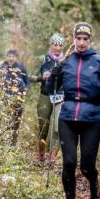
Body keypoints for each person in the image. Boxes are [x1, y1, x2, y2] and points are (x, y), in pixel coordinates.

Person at [46, 22, 100, 199]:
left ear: (90, 40)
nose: (81, 42)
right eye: (78, 39)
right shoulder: (66, 62)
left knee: (87, 165)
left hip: (91, 119)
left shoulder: (99, 61)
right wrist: (52, 78)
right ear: (74, 39)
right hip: (68, 117)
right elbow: (49, 89)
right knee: (69, 163)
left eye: (85, 39)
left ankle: (94, 185)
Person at [33, 33, 66, 164]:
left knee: (58, 128)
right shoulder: (43, 59)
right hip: (45, 95)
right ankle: (41, 153)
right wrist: (41, 77)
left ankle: (52, 157)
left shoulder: (66, 60)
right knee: (43, 127)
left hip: (60, 95)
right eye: (55, 44)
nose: (58, 48)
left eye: (60, 45)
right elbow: (29, 76)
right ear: (51, 45)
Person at [0, 49, 30, 145]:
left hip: (18, 98)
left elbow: (27, 81)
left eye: (13, 56)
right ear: (6, 57)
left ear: (16, 58)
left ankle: (13, 142)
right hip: (6, 97)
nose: (11, 58)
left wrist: (24, 91)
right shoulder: (2, 67)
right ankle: (5, 141)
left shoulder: (21, 67)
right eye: (9, 56)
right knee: (7, 119)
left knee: (16, 120)